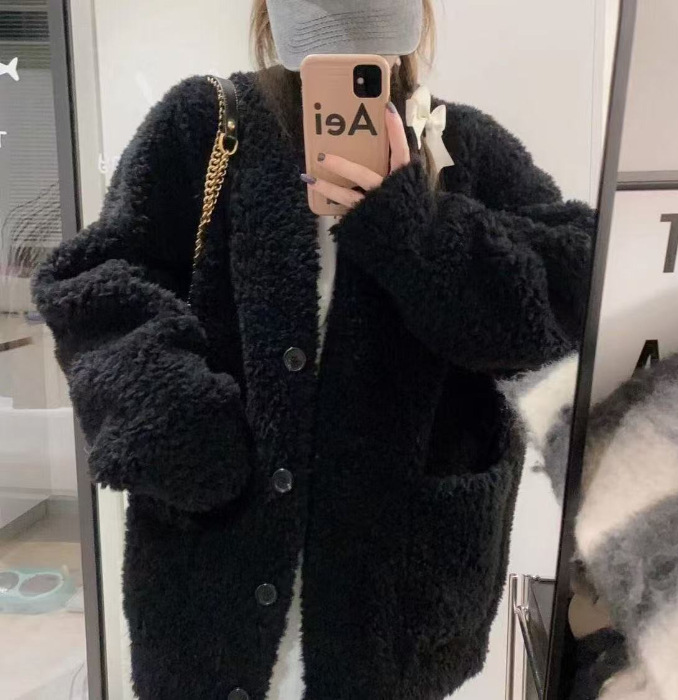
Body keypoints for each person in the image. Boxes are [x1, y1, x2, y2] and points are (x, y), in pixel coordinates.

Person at [33, 1, 594, 698]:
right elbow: (99, 284)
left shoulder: (464, 148)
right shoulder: (206, 124)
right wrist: (177, 428)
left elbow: (568, 291)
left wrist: (412, 228)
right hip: (213, 582)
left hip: (396, 608)